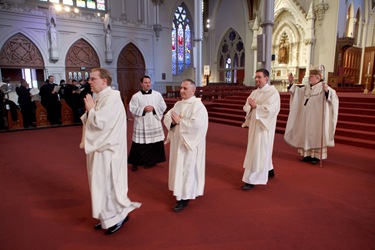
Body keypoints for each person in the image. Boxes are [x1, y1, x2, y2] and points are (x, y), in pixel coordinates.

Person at [80, 68, 141, 235]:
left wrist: (91, 110)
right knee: (100, 185)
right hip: (100, 149)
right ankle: (106, 217)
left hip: (108, 151)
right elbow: (94, 120)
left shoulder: (112, 99)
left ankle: (117, 216)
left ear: (104, 81)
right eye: (89, 79)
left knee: (109, 184)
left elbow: (101, 124)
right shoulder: (100, 98)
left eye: (93, 79)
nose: (89, 82)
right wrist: (89, 111)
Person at [163, 79, 208, 211]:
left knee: (187, 169)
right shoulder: (178, 104)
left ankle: (184, 197)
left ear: (193, 91)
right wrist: (173, 122)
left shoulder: (198, 107)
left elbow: (198, 126)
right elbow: (167, 116)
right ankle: (181, 191)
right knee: (179, 168)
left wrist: (179, 122)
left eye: (185, 88)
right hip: (178, 143)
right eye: (181, 87)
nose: (181, 90)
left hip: (189, 145)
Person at [284, 67, 339, 165]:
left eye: (311, 76)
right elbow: (296, 92)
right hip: (306, 117)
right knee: (306, 133)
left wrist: (327, 92)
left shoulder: (323, 87)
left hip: (317, 118)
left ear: (318, 78)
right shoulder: (307, 88)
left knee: (316, 134)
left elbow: (333, 96)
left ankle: (316, 156)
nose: (309, 78)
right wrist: (291, 83)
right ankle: (307, 154)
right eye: (310, 76)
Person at [241, 68, 280, 191]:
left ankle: (252, 179)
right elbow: (246, 106)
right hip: (254, 126)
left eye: (259, 77)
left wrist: (256, 106)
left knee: (258, 151)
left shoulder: (273, 93)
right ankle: (269, 169)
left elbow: (271, 110)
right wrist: (251, 107)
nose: (256, 79)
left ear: (266, 78)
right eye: (256, 77)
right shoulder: (255, 92)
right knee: (259, 150)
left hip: (264, 127)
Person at [128, 76, 167, 171]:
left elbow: (163, 106)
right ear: (141, 83)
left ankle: (151, 161)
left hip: (154, 121)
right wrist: (143, 109)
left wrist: (154, 108)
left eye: (149, 82)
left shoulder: (157, 95)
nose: (148, 84)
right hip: (142, 122)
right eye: (145, 82)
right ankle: (135, 162)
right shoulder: (136, 96)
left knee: (154, 143)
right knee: (138, 143)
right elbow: (132, 108)